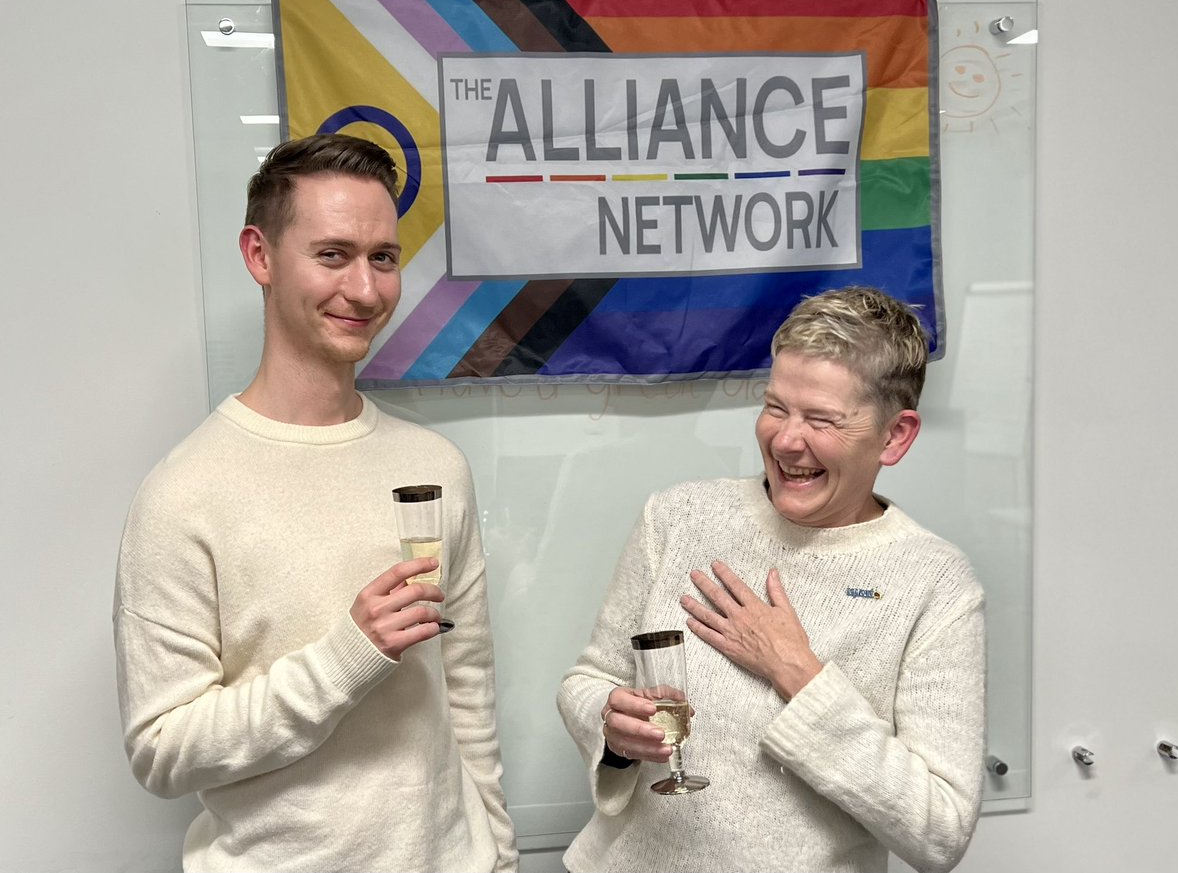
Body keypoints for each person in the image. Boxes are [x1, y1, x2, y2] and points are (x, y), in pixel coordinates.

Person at [113, 134, 517, 872]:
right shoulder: (183, 494)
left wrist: (498, 855)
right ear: (260, 256)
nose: (365, 291)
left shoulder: (435, 468)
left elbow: (467, 696)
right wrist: (347, 656)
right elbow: (162, 750)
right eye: (332, 255)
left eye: (384, 258)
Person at [557, 286, 985, 873]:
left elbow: (940, 829)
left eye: (822, 419)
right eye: (776, 407)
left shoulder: (935, 583)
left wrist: (799, 675)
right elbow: (591, 677)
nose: (785, 440)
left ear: (895, 436)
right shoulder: (679, 516)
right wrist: (612, 726)